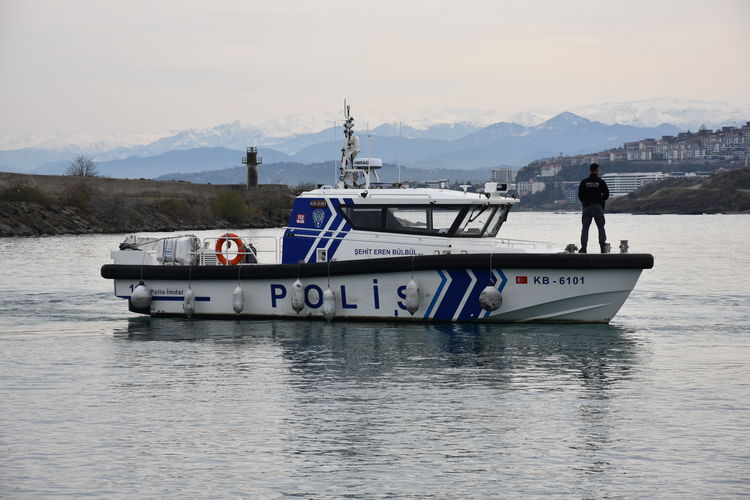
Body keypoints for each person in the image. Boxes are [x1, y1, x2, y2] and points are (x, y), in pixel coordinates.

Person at [578, 163, 609, 253]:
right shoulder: (601, 182)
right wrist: (600, 200)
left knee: (585, 228)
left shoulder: (584, 182)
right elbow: (606, 195)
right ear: (597, 170)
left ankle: (583, 248)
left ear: (590, 170)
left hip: (587, 207)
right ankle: (603, 248)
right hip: (598, 207)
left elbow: (580, 195)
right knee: (601, 227)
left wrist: (585, 202)